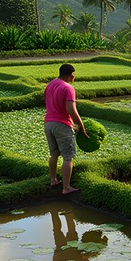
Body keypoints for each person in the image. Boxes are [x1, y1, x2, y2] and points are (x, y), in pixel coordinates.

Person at [44, 63, 88, 194]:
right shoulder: (68, 88)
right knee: (68, 157)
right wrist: (81, 125)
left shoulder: (50, 84)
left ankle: (53, 180)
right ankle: (66, 187)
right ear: (72, 75)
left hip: (48, 123)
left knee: (54, 154)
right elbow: (71, 109)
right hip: (61, 124)